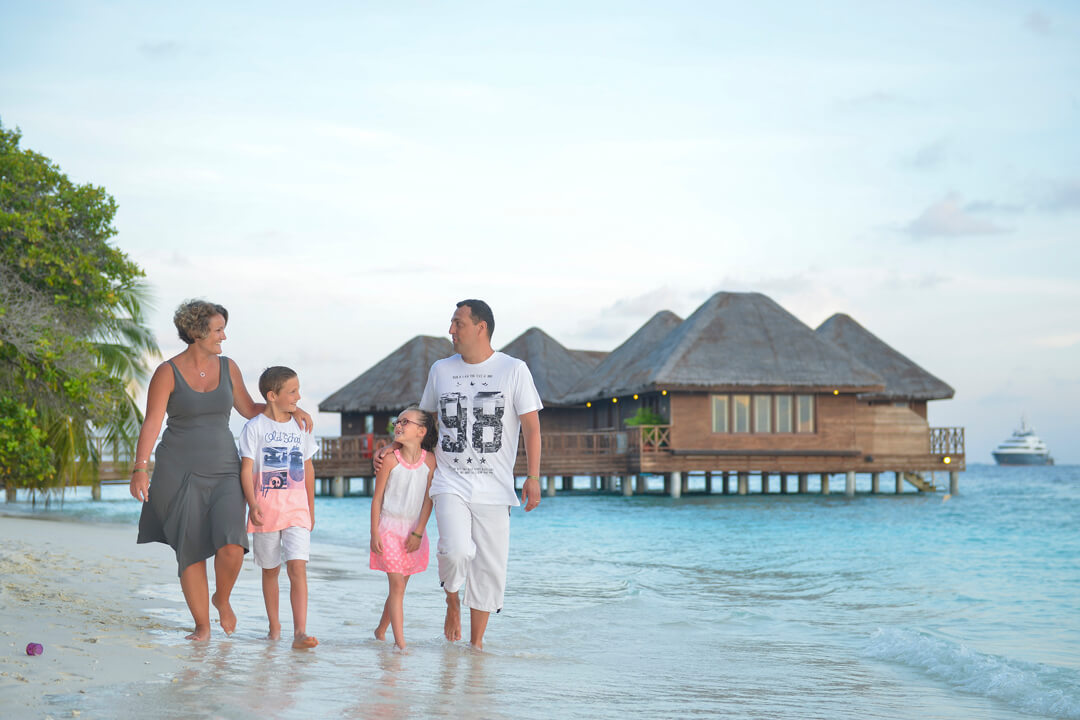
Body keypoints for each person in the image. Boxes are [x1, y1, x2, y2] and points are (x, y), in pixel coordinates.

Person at [130, 300, 312, 641]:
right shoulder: (167, 372)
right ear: (196, 332)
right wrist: (140, 468)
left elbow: (251, 408)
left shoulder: (229, 368)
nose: (223, 336)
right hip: (178, 470)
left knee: (232, 544)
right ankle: (202, 626)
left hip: (226, 469)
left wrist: (291, 410)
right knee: (190, 547)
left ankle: (222, 598)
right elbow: (152, 421)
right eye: (217, 330)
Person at [376, 299, 542, 650]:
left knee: (489, 569)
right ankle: (451, 598)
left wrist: (533, 476)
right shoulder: (441, 369)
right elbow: (423, 419)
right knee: (455, 551)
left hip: (495, 487)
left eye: (458, 323)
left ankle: (476, 648)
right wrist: (394, 445)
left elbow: (531, 426)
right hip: (449, 479)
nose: (451, 330)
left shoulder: (514, 370)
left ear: (481, 327)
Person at [239, 366, 319, 650]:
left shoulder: (302, 426)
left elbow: (308, 469)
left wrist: (310, 508)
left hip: (297, 511)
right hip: (266, 510)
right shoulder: (254, 428)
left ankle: (300, 632)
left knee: (298, 567)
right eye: (292, 391)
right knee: (270, 570)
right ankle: (274, 628)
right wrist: (252, 504)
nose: (298, 397)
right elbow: (246, 469)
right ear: (272, 396)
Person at [369, 405, 437, 651]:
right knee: (397, 586)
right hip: (388, 528)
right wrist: (374, 532)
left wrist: (419, 532)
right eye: (397, 422)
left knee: (400, 588)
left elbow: (429, 500)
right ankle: (401, 644)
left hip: (413, 530)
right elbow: (377, 499)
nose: (398, 425)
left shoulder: (430, 461)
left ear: (421, 431)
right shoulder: (389, 460)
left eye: (405, 422)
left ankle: (381, 629)